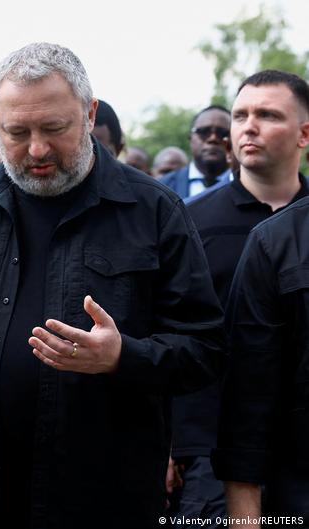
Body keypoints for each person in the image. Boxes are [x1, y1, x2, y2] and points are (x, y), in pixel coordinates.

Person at [0, 42, 224, 529]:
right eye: (16, 133)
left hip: (103, 500)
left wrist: (122, 356)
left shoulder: (152, 211)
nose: (37, 149)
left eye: (54, 129)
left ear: (89, 115)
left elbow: (206, 348)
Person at [212, 70, 309, 524]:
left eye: (267, 115)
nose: (248, 126)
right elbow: (246, 384)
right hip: (242, 458)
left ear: (303, 133)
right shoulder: (192, 221)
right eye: (241, 115)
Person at [160, 106, 232, 198]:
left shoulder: (249, 186)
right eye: (204, 132)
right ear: (190, 138)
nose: (213, 138)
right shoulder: (163, 187)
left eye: (223, 133)